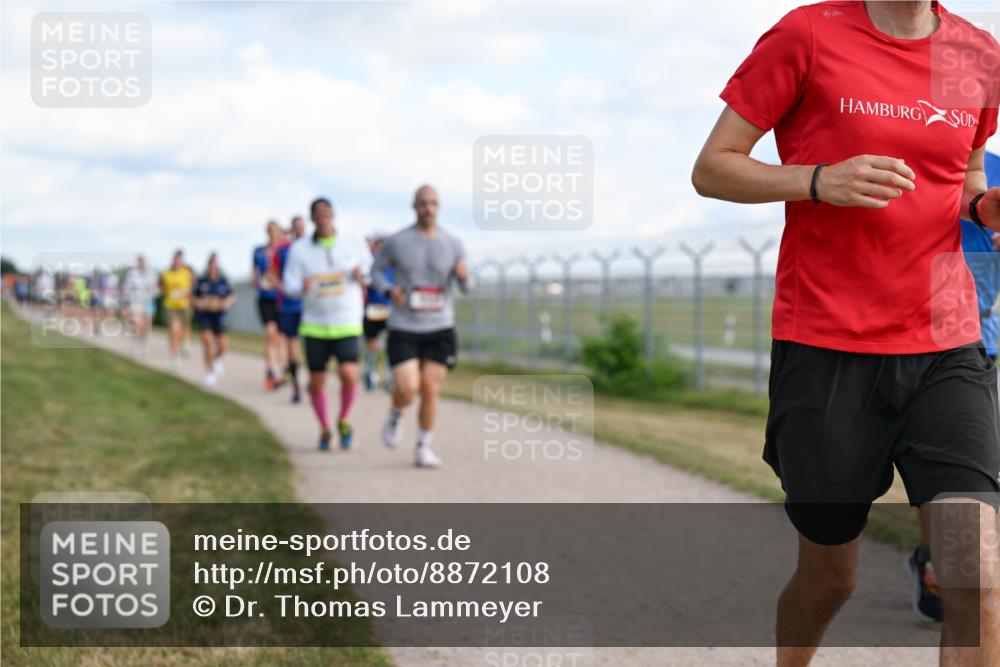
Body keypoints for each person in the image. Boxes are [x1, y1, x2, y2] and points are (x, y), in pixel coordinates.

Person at [692, 2, 1000, 664]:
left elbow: (963, 179)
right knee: (830, 576)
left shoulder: (975, 54)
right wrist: (817, 180)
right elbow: (712, 167)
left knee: (975, 575)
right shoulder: (807, 35)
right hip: (827, 345)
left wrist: (983, 207)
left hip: (945, 342)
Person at [904, 150, 1000, 624]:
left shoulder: (991, 169)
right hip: (907, 338)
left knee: (975, 469)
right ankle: (934, 558)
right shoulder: (905, 159)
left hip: (978, 339)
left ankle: (957, 564)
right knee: (935, 469)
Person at [371, 185, 468, 469]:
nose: (428, 208)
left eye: (433, 203)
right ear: (414, 206)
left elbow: (467, 286)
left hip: (440, 326)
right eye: (423, 203)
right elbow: (376, 271)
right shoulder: (397, 241)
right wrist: (388, 290)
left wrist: (464, 277)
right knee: (407, 387)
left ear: (439, 206)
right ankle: (396, 412)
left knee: (430, 389)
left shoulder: (453, 243)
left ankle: (423, 447)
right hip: (404, 326)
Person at [282, 198, 371, 450]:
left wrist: (361, 274)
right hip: (315, 324)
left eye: (327, 214)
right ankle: (324, 428)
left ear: (333, 215)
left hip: (347, 321)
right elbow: (289, 284)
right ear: (312, 219)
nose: (323, 219)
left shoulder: (353, 241)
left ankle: (343, 419)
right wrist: (301, 287)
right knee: (317, 382)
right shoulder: (299, 249)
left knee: (349, 374)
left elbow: (370, 271)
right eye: (318, 215)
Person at [270, 215, 307, 403]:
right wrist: (284, 289)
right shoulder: (284, 250)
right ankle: (296, 386)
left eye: (302, 226)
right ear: (292, 229)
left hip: (311, 306)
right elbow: (271, 274)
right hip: (289, 305)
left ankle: (312, 381)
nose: (300, 230)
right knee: (292, 344)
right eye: (297, 227)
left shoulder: (313, 248)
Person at [253, 220, 288, 390]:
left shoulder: (284, 250)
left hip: (281, 298)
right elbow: (254, 274)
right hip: (265, 297)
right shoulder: (259, 251)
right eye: (269, 230)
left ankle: (280, 369)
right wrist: (259, 281)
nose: (271, 232)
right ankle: (272, 371)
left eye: (274, 229)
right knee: (270, 333)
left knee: (280, 338)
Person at [193, 253, 235, 387]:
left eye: (215, 265)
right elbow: (192, 296)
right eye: (211, 265)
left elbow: (232, 296)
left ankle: (217, 360)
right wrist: (198, 302)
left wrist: (226, 303)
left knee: (223, 345)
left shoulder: (223, 281)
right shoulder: (201, 281)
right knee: (207, 341)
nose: (213, 268)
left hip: (219, 316)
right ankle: (209, 373)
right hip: (205, 315)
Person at [363, 232, 393, 391]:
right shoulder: (370, 260)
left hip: (390, 307)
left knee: (391, 343)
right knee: (372, 343)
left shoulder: (394, 261)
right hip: (373, 306)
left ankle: (390, 377)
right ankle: (370, 373)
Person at [161, 250, 194, 370]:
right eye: (175, 259)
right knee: (174, 331)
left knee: (183, 330)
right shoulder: (166, 273)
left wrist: (185, 293)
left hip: (184, 305)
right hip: (171, 306)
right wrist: (168, 293)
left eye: (179, 260)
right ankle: (175, 358)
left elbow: (193, 289)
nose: (176, 262)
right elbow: (161, 287)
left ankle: (186, 343)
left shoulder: (187, 273)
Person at [122, 255, 158, 355]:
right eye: (140, 262)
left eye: (143, 262)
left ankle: (144, 343)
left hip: (148, 301)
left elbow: (155, 288)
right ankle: (136, 341)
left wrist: (154, 292)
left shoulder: (152, 274)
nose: (142, 264)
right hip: (136, 301)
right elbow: (127, 288)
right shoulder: (132, 274)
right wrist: (126, 301)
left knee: (147, 324)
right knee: (138, 323)